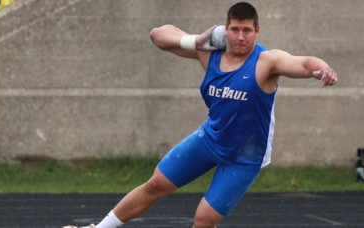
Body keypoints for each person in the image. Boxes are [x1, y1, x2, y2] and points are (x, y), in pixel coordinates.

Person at [64, 2, 337, 228]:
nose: (240, 37)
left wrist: (322, 69)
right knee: (156, 184)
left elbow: (302, 62)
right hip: (209, 139)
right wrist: (198, 40)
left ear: (257, 31)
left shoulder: (267, 62)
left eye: (246, 31)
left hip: (244, 156)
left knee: (204, 219)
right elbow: (158, 35)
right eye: (234, 30)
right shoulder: (210, 55)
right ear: (224, 30)